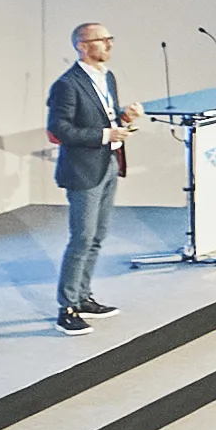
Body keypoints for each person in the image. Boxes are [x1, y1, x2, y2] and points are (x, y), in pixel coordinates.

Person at [45, 19, 137, 330]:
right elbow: (60, 129)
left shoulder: (107, 77)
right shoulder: (67, 84)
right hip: (83, 169)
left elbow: (103, 116)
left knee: (97, 236)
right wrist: (103, 135)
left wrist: (123, 117)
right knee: (82, 238)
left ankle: (83, 295)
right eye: (101, 40)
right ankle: (67, 308)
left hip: (108, 164)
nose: (109, 45)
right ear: (82, 46)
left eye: (110, 38)